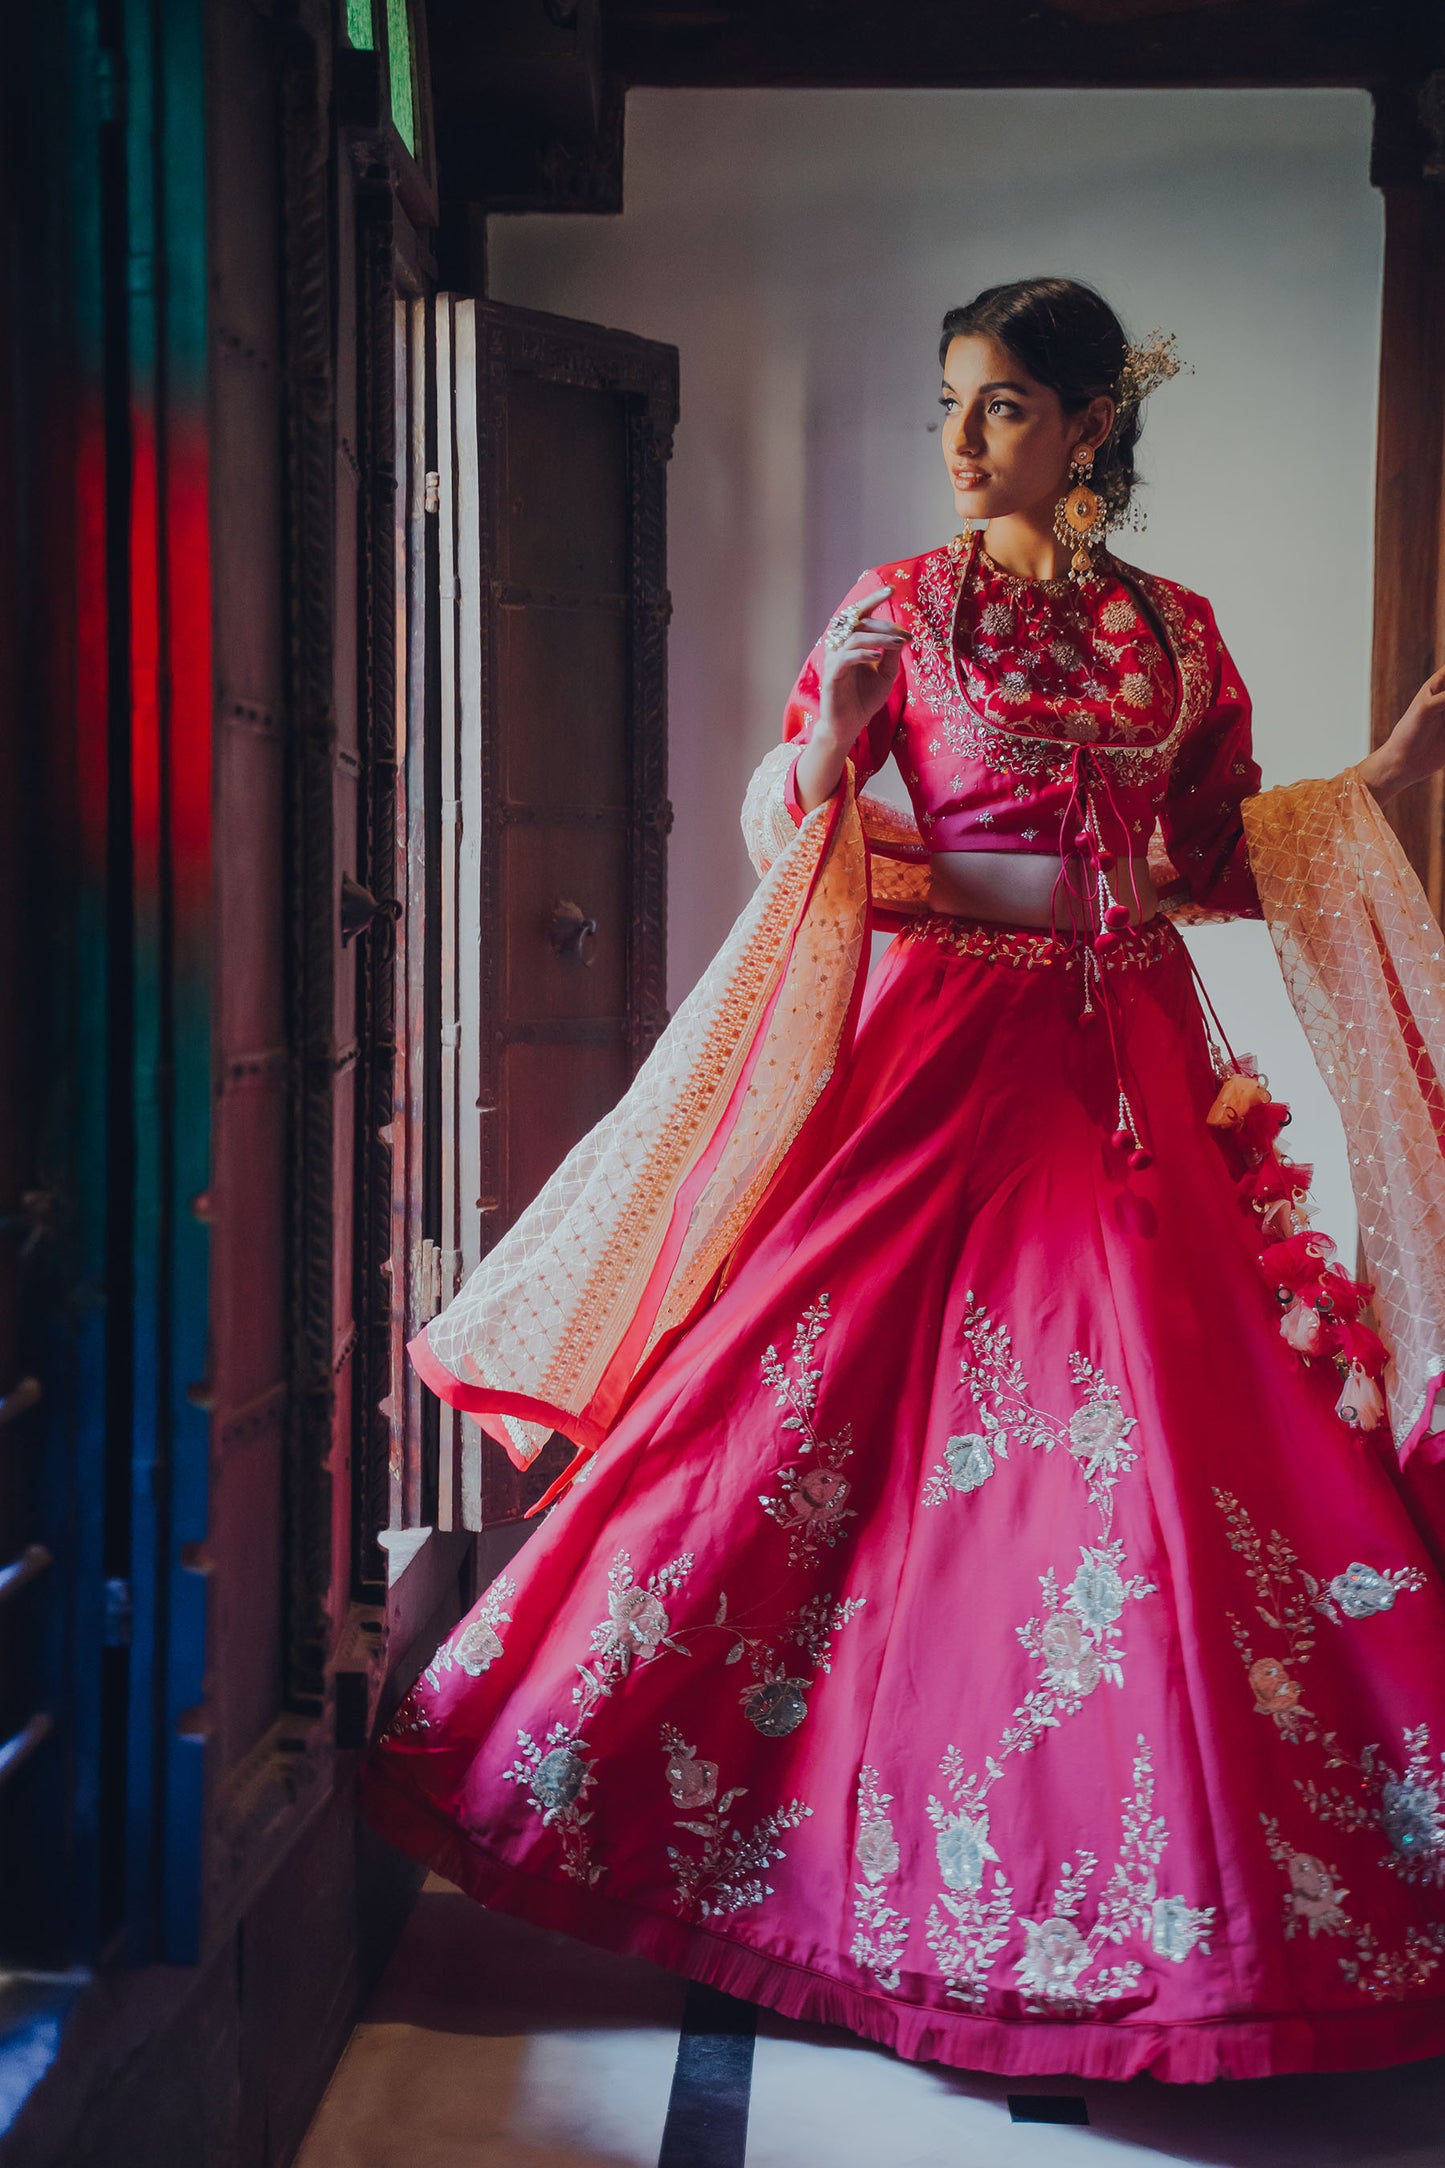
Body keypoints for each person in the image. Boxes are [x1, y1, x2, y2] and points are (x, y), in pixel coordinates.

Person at [362, 278, 1445, 2083]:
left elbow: (1195, 853)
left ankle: (1163, 1916)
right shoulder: (900, 605)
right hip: (939, 1051)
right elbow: (796, 830)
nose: (960, 441)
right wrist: (826, 739)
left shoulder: (1171, 637)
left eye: (1006, 406)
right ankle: (617, 1793)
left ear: (1091, 425)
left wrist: (1365, 793)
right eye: (952, 400)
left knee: (1156, 1445)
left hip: (1127, 1060)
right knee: (794, 1394)